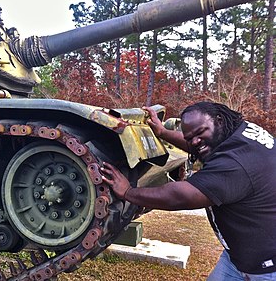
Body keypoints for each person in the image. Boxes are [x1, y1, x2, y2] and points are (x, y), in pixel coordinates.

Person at [101, 101, 276, 281]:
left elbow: (180, 196)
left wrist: (128, 192)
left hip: (266, 267)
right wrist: (162, 133)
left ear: (219, 120)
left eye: (200, 133)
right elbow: (201, 145)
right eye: (189, 137)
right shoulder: (239, 132)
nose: (195, 142)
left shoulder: (235, 165)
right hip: (240, 257)